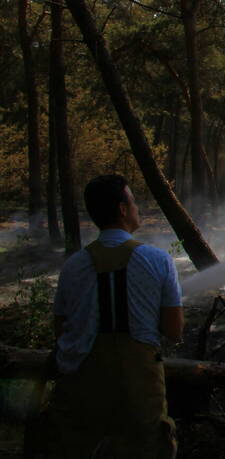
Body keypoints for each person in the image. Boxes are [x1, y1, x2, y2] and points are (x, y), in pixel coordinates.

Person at [49, 174, 183, 458]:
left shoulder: (72, 266)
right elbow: (174, 330)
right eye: (134, 201)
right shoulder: (158, 260)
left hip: (81, 385)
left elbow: (60, 328)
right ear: (123, 209)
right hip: (140, 387)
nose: (138, 208)